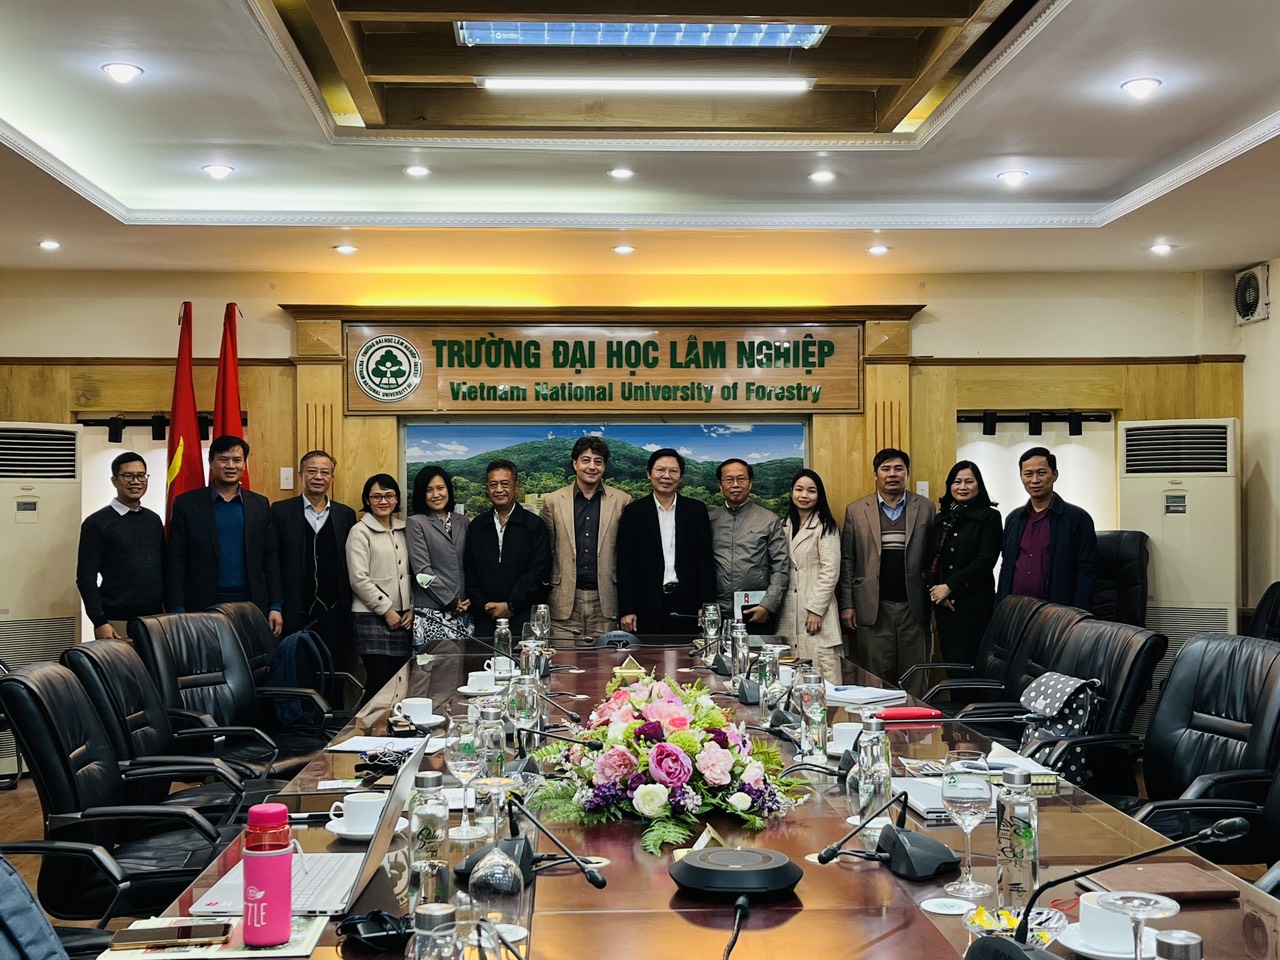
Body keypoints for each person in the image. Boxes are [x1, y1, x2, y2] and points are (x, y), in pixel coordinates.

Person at [837, 448, 935, 696]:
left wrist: (934, 607)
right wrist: (847, 604)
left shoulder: (925, 507)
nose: (892, 474)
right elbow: (848, 560)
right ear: (876, 474)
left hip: (915, 608)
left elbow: (934, 559)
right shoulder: (856, 510)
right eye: (886, 469)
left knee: (916, 679)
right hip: (872, 608)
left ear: (907, 473)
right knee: (875, 681)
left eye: (898, 469)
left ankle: (915, 723)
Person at [166, 435, 283, 634]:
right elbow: (176, 559)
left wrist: (276, 605)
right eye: (223, 459)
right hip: (201, 603)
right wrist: (177, 607)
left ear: (244, 465)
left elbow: (270, 556)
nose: (231, 466)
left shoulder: (260, 505)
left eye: (237, 460)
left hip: (251, 602)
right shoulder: (187, 504)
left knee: (250, 654)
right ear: (211, 462)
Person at [271, 450, 357, 679]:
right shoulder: (280, 511)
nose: (318, 477)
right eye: (312, 471)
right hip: (294, 611)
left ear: (332, 478)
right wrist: (276, 605)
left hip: (334, 612)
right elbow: (272, 562)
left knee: (333, 675)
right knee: (297, 674)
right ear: (301, 475)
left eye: (324, 472)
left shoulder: (345, 515)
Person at [540, 437, 632, 640]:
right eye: (586, 460)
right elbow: (548, 552)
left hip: (605, 602)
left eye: (598, 461)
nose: (592, 467)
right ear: (575, 463)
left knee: (604, 659)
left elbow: (626, 555)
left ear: (604, 467)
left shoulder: (623, 501)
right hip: (564, 601)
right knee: (563, 659)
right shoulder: (552, 501)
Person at [616, 448, 715, 635]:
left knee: (688, 652)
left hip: (688, 603)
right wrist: (627, 609)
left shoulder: (696, 511)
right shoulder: (633, 512)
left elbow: (705, 563)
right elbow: (625, 565)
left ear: (680, 476)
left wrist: (707, 606)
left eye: (673, 471)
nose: (666, 476)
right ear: (649, 473)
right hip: (646, 604)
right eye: (660, 470)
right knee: (648, 652)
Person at [76, 451, 164, 639]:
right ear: (114, 480)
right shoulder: (96, 523)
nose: (136, 481)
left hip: (156, 620)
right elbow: (85, 577)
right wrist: (99, 621)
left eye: (141, 475)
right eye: (128, 476)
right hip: (116, 622)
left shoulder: (154, 520)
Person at [996, 446, 1098, 608]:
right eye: (1028, 474)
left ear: (1055, 475)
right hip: (1016, 609)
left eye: (1041, 473)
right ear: (1021, 477)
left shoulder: (1077, 518)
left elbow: (1086, 571)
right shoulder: (1014, 519)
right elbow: (1006, 568)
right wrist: (1000, 608)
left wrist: (1079, 615)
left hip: (1057, 612)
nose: (1035, 480)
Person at [928, 460, 1002, 673]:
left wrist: (950, 586)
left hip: (974, 605)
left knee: (972, 667)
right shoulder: (942, 518)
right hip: (944, 605)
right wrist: (937, 592)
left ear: (979, 485)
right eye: (957, 481)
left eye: (969, 481)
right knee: (952, 667)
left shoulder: (989, 516)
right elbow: (931, 558)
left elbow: (986, 560)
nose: (962, 487)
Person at [463, 459, 551, 636]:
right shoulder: (477, 526)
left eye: (505, 484)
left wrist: (511, 605)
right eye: (493, 484)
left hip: (524, 618)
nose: (499, 490)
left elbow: (539, 570)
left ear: (516, 487)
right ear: (487, 488)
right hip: (485, 617)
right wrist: (484, 605)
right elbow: (470, 570)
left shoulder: (534, 525)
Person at [346, 473, 414, 700]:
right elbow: (358, 578)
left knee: (399, 683)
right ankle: (363, 722)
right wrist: (386, 610)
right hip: (371, 617)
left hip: (403, 619)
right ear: (367, 500)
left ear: (397, 499)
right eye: (376, 496)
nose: (383, 501)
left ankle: (390, 723)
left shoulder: (405, 529)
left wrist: (411, 608)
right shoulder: (359, 531)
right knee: (379, 682)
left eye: (389, 495)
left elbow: (412, 574)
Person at [709, 458, 789, 634]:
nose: (735, 485)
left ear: (750, 483)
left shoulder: (769, 520)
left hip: (756, 609)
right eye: (729, 480)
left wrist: (768, 605)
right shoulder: (710, 520)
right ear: (720, 485)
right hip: (717, 612)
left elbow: (781, 567)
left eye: (741, 479)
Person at [776, 468, 842, 681]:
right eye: (799, 489)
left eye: (811, 491)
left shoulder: (826, 526)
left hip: (817, 614)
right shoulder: (782, 525)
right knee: (791, 681)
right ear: (791, 492)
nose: (804, 495)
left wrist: (815, 609)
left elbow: (830, 571)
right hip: (788, 613)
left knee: (823, 678)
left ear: (819, 495)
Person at [406, 464, 472, 647]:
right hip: (432, 613)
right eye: (429, 490)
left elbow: (471, 564)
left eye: (440, 488)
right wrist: (450, 601)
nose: (436, 494)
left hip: (463, 611)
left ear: (448, 489)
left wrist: (468, 600)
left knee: (464, 664)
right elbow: (422, 573)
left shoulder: (463, 521)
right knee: (435, 666)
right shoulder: (416, 523)